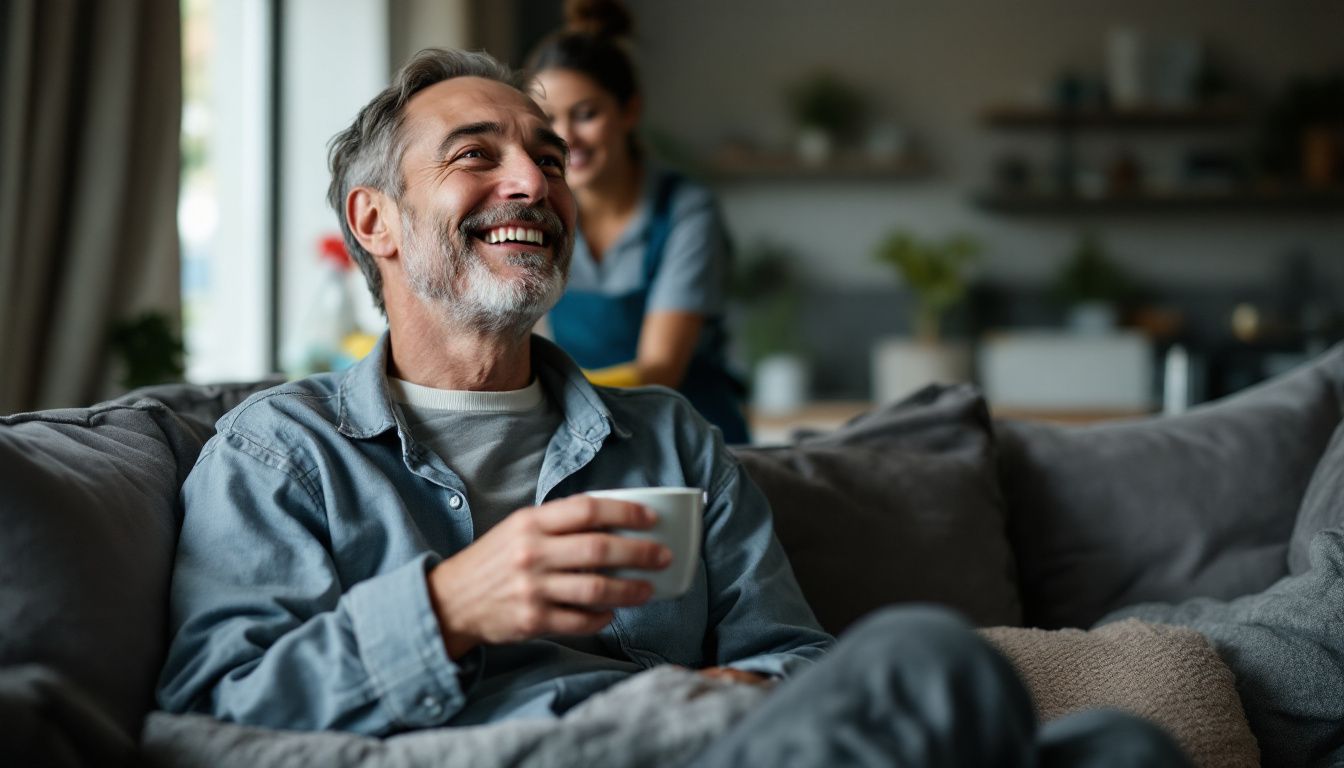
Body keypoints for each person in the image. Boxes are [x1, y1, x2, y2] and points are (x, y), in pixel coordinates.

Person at [155, 48, 1189, 767]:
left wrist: (753, 692)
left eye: (549, 159)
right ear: (371, 221)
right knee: (935, 660)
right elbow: (212, 712)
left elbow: (793, 653)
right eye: (478, 155)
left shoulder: (666, 437)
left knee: (1123, 748)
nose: (536, 182)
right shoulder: (280, 454)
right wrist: (447, 611)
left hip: (710, 746)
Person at [526, 0, 751, 444]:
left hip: (694, 439)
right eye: (549, 119)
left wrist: (541, 396)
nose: (568, 137)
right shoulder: (537, 212)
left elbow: (660, 369)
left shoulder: (685, 211)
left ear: (629, 111)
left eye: (587, 114)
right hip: (592, 437)